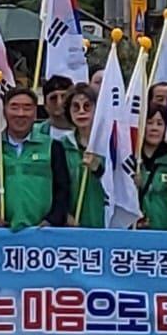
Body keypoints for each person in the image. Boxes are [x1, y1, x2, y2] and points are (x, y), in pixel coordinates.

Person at [0, 86, 70, 229]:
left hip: (43, 234)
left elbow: (63, 188)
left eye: (27, 108)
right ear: (4, 111)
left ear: (35, 112)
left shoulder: (52, 146)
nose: (20, 114)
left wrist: (52, 220)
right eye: (14, 107)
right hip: (1, 233)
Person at [60, 86, 107, 228]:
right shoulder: (62, 145)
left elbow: (120, 182)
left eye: (87, 106)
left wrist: (99, 170)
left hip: (105, 221)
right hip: (73, 225)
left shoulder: (110, 144)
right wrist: (64, 214)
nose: (81, 111)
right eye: (75, 107)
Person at [38, 75, 74, 140]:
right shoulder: (34, 133)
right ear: (45, 105)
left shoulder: (89, 132)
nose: (59, 102)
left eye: (64, 96)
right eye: (53, 98)